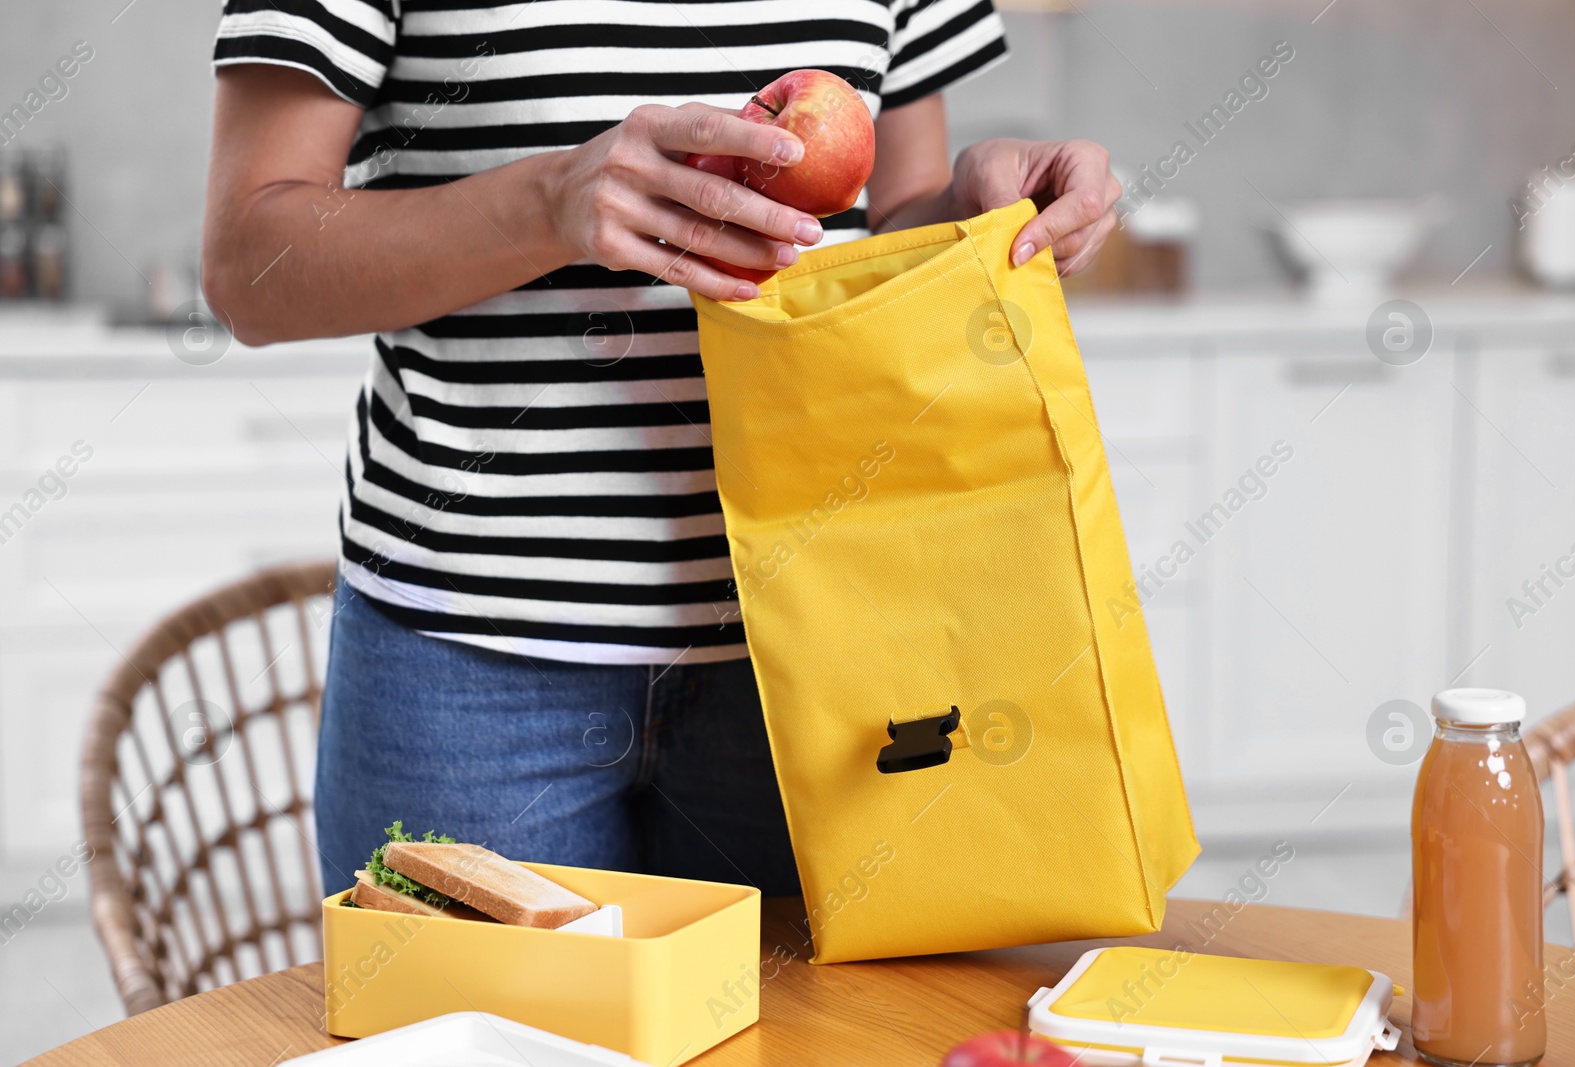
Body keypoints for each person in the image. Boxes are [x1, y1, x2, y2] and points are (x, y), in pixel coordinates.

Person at [202, 0, 1122, 898]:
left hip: (817, 642)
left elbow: (884, 229)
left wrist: (972, 212)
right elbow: (250, 267)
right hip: (466, 664)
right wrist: (548, 202)